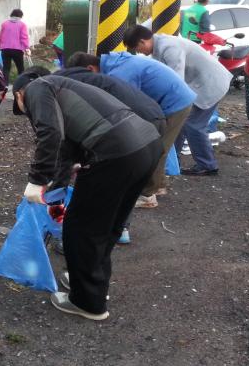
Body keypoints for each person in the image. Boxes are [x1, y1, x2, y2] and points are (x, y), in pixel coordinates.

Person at [12, 69, 163, 321]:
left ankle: (87, 302)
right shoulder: (64, 88)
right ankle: (90, 282)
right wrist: (55, 196)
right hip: (147, 145)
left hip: (116, 152)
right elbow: (64, 151)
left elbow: (49, 133)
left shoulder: (37, 88)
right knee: (109, 224)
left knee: (82, 228)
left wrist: (36, 181)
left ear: (19, 94)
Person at [54, 57, 166, 242]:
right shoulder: (92, 79)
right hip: (156, 117)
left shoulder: (60, 89)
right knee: (129, 180)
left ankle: (94, 234)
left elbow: (65, 142)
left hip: (132, 125)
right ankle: (120, 229)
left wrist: (57, 187)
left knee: (112, 179)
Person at [72, 51, 193, 207]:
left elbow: (128, 104)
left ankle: (147, 195)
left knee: (156, 148)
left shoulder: (120, 73)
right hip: (172, 97)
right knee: (158, 144)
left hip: (175, 103)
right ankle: (159, 185)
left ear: (89, 68)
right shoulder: (116, 62)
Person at [124, 25, 232, 176]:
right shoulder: (159, 47)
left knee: (192, 124)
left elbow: (176, 82)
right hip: (198, 83)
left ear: (143, 42)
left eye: (136, 48)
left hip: (210, 83)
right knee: (177, 123)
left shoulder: (169, 48)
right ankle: (171, 163)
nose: (138, 52)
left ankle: (207, 165)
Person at [0, 8, 30, 84]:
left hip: (5, 49)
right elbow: (24, 37)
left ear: (12, 15)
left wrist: (0, 45)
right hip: (17, 50)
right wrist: (27, 48)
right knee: (20, 68)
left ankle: (5, 85)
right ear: (20, 16)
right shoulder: (22, 25)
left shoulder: (4, 23)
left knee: (6, 68)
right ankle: (21, 84)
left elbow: (0, 36)